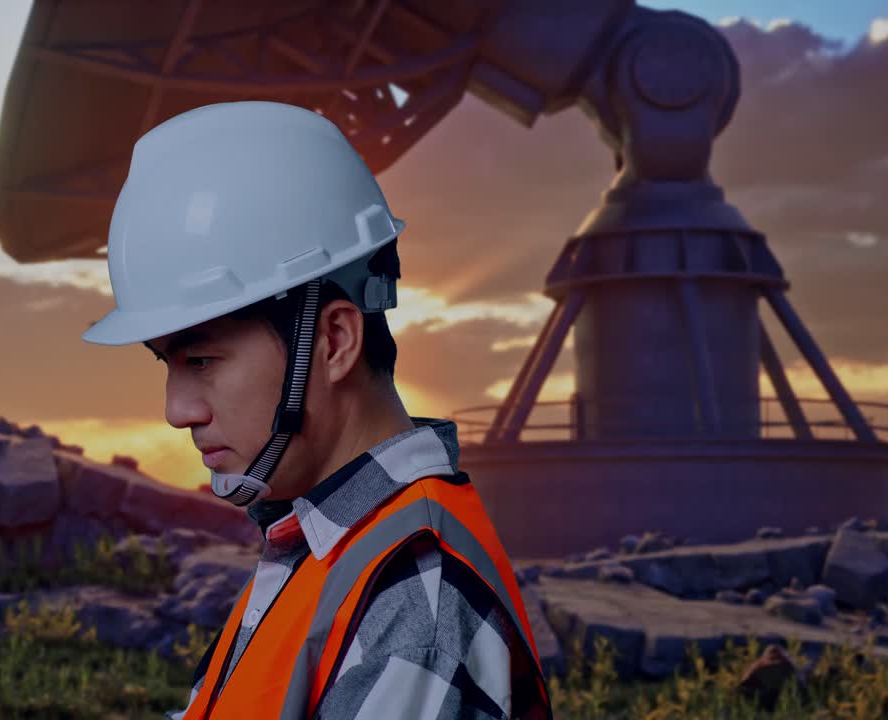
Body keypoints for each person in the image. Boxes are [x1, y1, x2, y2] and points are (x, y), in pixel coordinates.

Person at [81, 101, 552, 719]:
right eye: (165, 362)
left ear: (333, 341)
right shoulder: (325, 546)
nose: (177, 410)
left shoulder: (412, 596)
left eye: (202, 360)